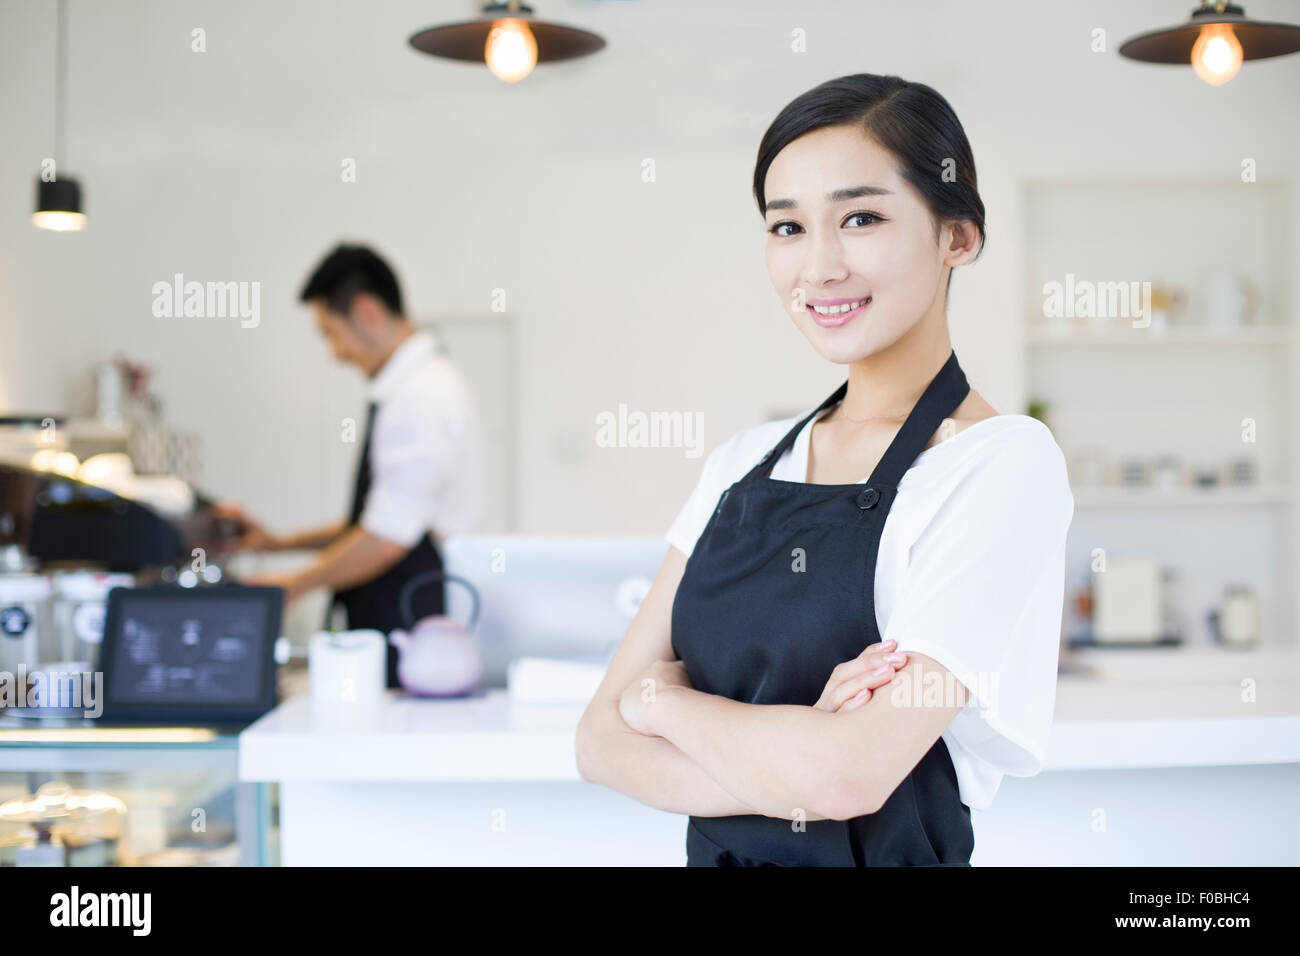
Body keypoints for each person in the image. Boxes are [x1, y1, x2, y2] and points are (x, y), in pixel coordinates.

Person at [575, 74, 1074, 866]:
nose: (819, 267)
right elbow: (599, 743)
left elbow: (848, 778)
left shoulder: (1000, 465)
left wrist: (661, 703)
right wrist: (796, 754)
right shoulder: (743, 464)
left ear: (958, 236)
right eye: (787, 228)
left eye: (862, 218)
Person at [216, 243, 481, 688]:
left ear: (368, 313)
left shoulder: (421, 396)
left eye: (330, 333)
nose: (335, 353)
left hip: (412, 632)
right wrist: (278, 544)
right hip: (402, 622)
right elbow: (377, 520)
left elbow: (387, 538)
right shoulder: (412, 389)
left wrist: (293, 585)